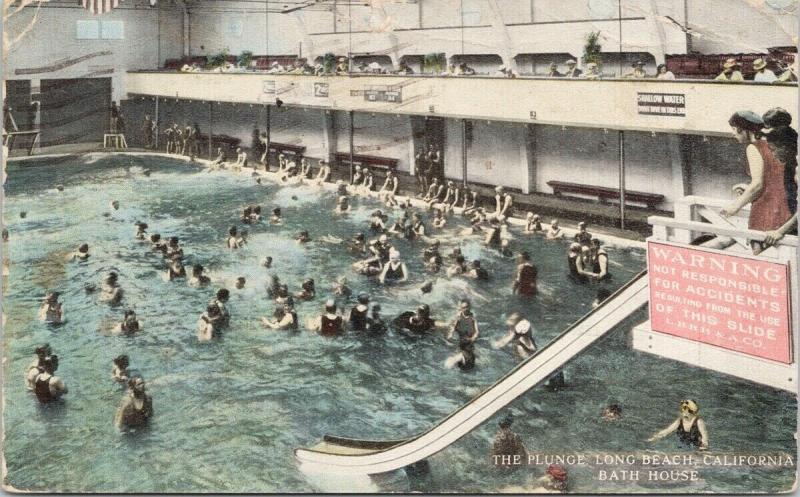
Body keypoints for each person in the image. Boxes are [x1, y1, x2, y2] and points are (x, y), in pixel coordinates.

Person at [721, 111, 791, 253]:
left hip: (766, 211)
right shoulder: (774, 145)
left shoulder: (753, 148)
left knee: (761, 258)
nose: (733, 134)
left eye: (734, 129)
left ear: (743, 129)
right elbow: (774, 179)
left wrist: (734, 207)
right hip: (785, 211)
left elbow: (757, 185)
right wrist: (747, 188)